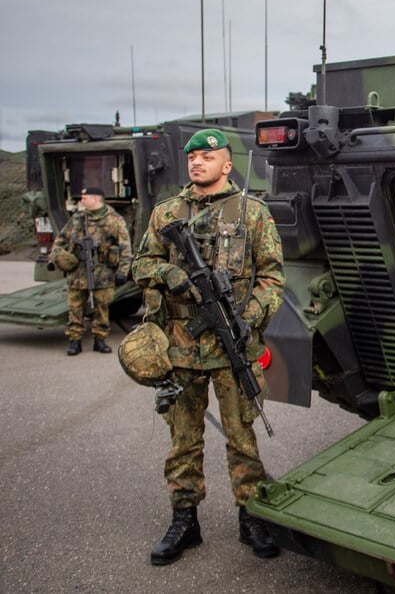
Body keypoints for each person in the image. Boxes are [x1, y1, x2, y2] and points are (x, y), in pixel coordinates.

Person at [131, 128, 285, 565]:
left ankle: (250, 515)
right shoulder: (166, 213)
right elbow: (141, 263)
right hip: (179, 348)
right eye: (192, 156)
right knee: (183, 440)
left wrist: (247, 319)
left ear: (227, 163)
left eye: (207, 155)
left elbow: (273, 278)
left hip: (232, 345)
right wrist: (169, 275)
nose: (196, 161)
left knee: (242, 437)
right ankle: (184, 520)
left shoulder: (252, 213)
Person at [49, 186, 132, 355]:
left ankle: (100, 340)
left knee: (102, 307)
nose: (81, 201)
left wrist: (123, 271)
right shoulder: (77, 218)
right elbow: (61, 239)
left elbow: (125, 248)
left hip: (103, 273)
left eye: (85, 198)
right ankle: (74, 341)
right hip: (78, 272)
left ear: (96, 199)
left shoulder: (114, 219)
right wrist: (55, 257)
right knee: (75, 307)